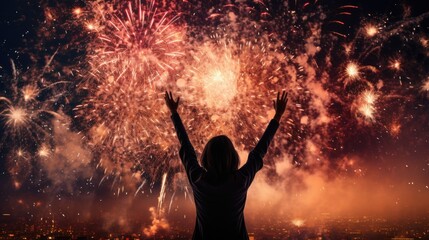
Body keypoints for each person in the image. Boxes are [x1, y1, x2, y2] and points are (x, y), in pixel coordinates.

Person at [165, 90, 288, 240]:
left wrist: (174, 113)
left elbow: (186, 145)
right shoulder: (240, 181)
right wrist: (277, 116)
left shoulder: (198, 179)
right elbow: (259, 151)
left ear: (206, 157)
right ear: (233, 157)